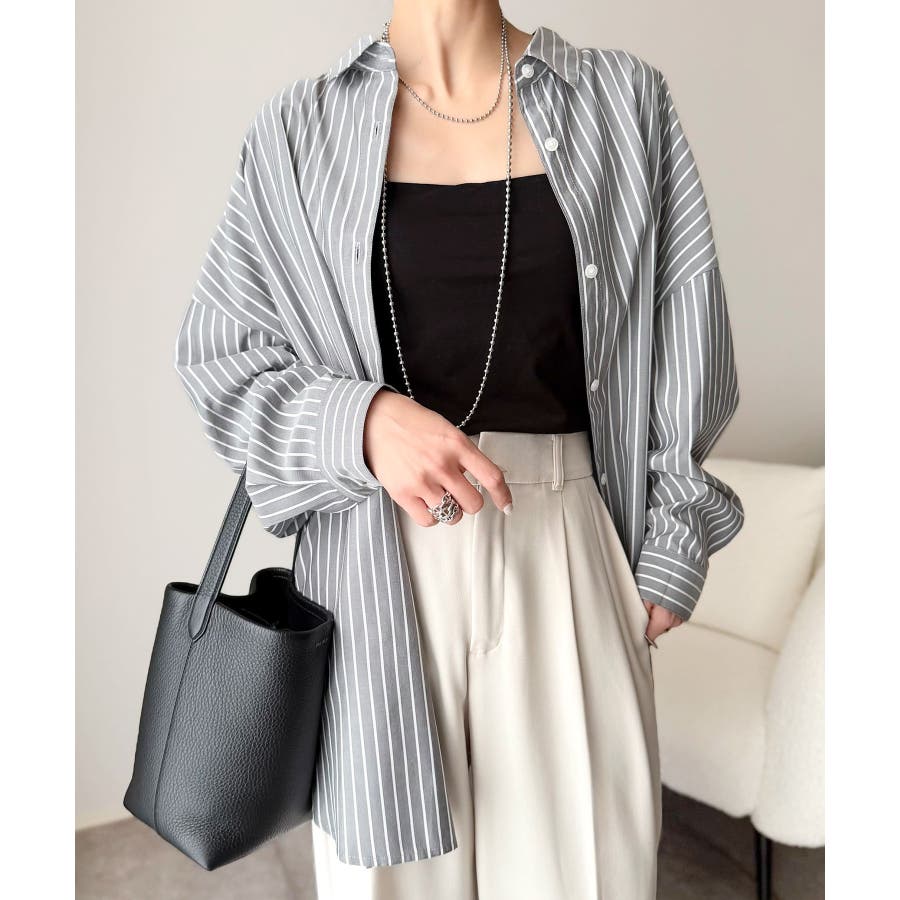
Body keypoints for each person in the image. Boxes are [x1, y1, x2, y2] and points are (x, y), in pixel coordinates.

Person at [173, 3, 744, 897]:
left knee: (588, 876)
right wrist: (362, 424)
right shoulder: (299, 128)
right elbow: (223, 360)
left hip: (565, 553)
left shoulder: (622, 100)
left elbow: (685, 327)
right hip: (371, 568)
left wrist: (675, 542)